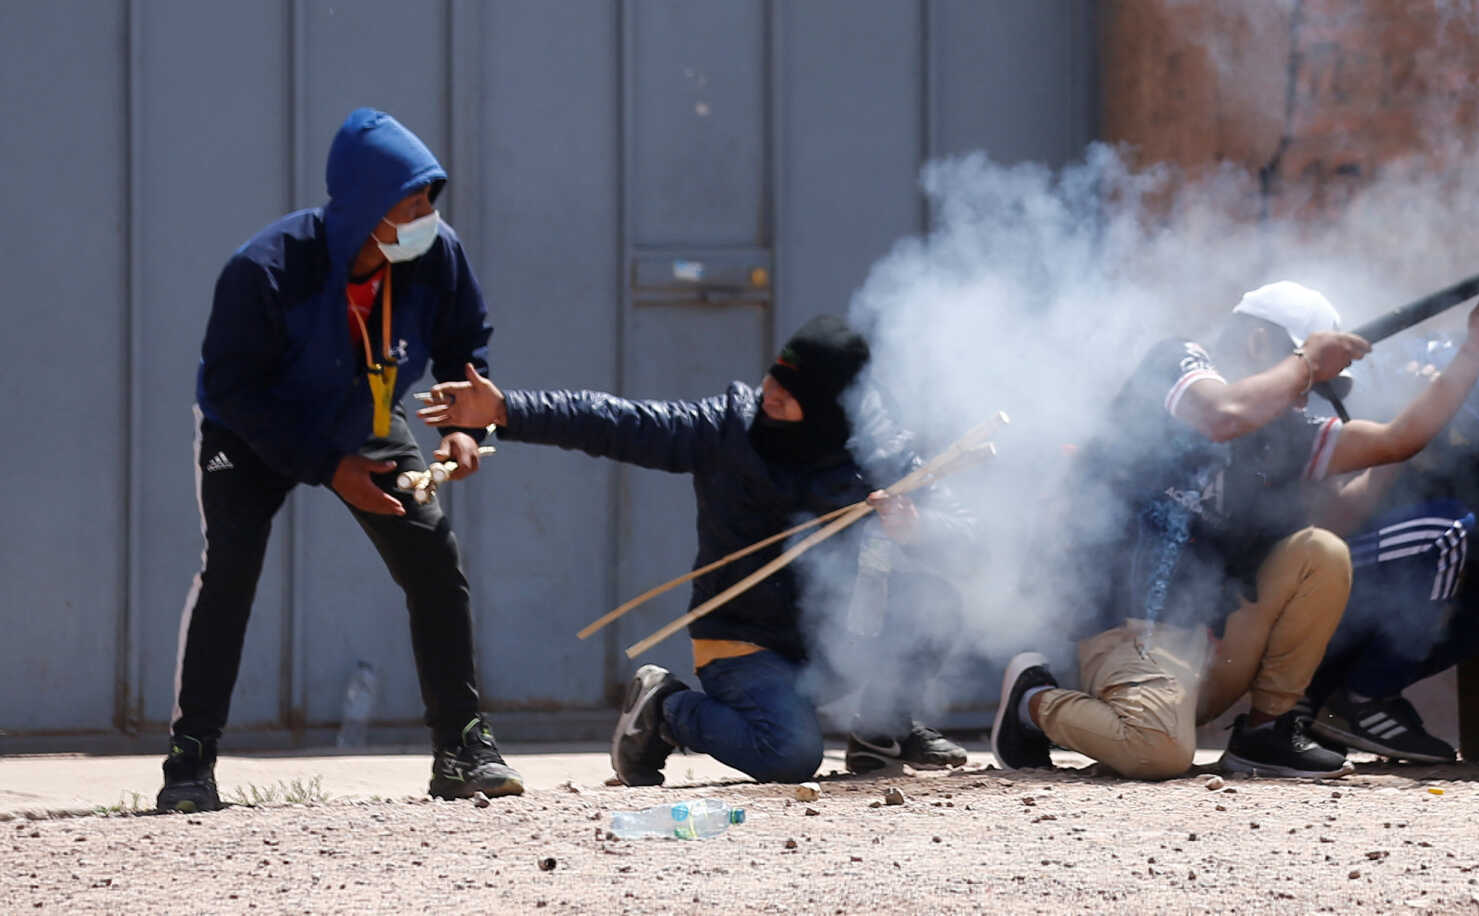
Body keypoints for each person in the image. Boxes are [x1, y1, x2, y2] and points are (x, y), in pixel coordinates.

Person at [991, 281, 1479, 781]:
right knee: (1157, 752)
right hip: (1129, 635)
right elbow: (1221, 414)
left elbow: (1394, 441)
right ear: (1261, 342)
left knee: (1320, 552)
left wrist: (1473, 355)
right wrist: (1308, 362)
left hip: (1213, 644)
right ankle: (1034, 702)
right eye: (1307, 383)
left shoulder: (1280, 429)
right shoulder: (1178, 362)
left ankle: (1268, 730)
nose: (1303, 398)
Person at [419, 315, 969, 787]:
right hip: (744, 642)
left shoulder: (877, 450)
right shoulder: (728, 429)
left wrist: (916, 526)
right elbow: (617, 422)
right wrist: (507, 410)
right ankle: (664, 709)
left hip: (839, 640)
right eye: (775, 374)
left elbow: (964, 528)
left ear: (829, 408)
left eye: (793, 390)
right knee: (791, 754)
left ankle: (881, 732)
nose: (772, 391)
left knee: (936, 601)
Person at [159, 108, 523, 813]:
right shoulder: (262, 270)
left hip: (364, 413)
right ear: (364, 210)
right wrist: (329, 468)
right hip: (252, 427)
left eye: (429, 200)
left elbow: (462, 342)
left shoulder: (436, 254)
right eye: (410, 203)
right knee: (230, 572)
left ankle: (462, 747)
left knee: (433, 560)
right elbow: (233, 387)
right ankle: (189, 763)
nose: (427, 217)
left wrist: (465, 427)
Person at [1300, 339, 1479, 763]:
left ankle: (1326, 702)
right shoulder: (1339, 397)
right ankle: (1364, 697)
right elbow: (1327, 523)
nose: (1451, 446)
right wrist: (1399, 438)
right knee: (1446, 532)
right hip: (1294, 576)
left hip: (1341, 581)